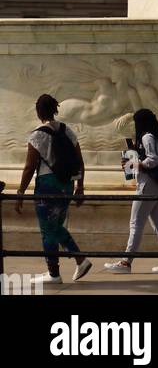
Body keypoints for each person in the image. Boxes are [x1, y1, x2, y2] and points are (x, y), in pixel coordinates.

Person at [14, 93, 92, 287]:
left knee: (49, 229)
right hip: (66, 184)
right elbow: (80, 163)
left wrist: (20, 192)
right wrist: (80, 186)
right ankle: (55, 271)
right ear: (55, 109)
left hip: (47, 185)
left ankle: (76, 261)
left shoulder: (37, 134)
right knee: (54, 227)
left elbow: (29, 167)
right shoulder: (68, 131)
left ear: (38, 112)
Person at [104, 109, 158, 275]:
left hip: (148, 185)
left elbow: (153, 159)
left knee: (135, 222)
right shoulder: (157, 135)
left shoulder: (147, 136)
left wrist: (136, 165)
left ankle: (126, 262)